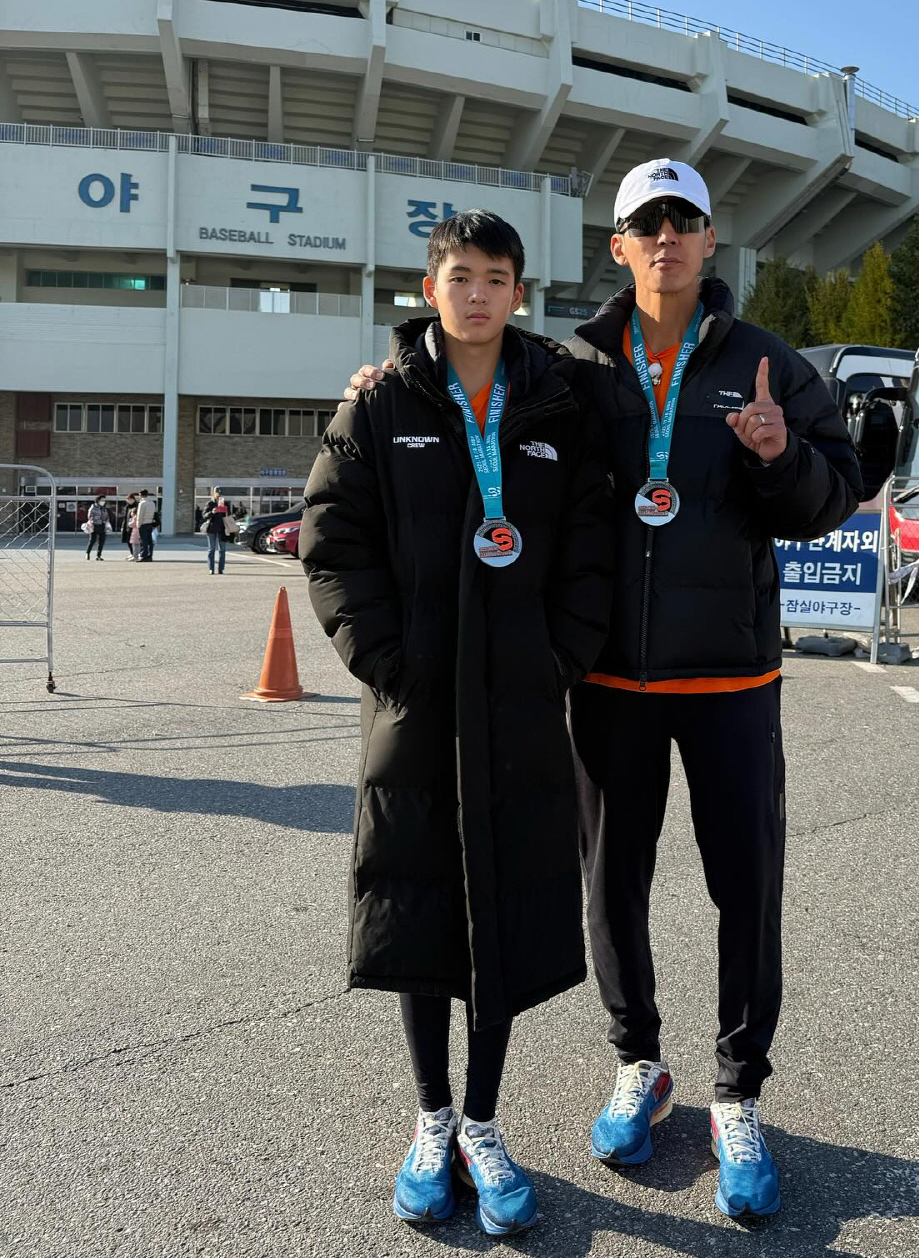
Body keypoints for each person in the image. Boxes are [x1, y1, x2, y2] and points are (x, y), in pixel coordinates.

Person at [344, 161, 862, 1221]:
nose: (667, 235)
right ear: (618, 246)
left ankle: (737, 1091)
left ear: (712, 240)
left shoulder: (768, 364)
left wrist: (777, 457)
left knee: (745, 888)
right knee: (609, 884)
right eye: (645, 222)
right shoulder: (575, 365)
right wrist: (380, 381)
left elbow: (833, 493)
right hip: (611, 680)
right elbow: (466, 389)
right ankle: (641, 1062)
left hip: (730, 674)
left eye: (686, 219)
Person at [300, 209, 612, 1236]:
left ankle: (484, 1117)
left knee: (508, 915)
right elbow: (332, 541)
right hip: (417, 707)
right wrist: (386, 662)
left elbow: (589, 546)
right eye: (459, 275)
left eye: (496, 277)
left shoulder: (557, 403)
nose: (477, 293)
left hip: (522, 707)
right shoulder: (382, 404)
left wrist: (559, 653)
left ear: (519, 291)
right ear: (429, 287)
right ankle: (431, 1117)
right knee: (421, 910)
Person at [201, 488, 231, 575]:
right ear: (214, 494)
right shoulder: (210, 503)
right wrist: (212, 512)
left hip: (222, 529)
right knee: (211, 549)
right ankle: (211, 568)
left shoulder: (225, 503)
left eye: (220, 495)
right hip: (212, 529)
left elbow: (229, 516)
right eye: (218, 495)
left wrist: (226, 511)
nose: (219, 496)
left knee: (222, 550)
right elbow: (204, 515)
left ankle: (221, 569)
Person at [135, 489, 156, 562]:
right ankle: (149, 556)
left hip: (143, 524)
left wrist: (138, 524)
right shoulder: (152, 503)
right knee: (149, 540)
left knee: (143, 541)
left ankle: (143, 555)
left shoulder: (142, 503)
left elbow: (140, 515)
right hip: (150, 523)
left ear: (141, 495)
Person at [121, 493, 139, 559]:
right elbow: (125, 518)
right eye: (128, 500)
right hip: (127, 525)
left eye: (131, 499)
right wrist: (123, 526)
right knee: (128, 540)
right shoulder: (127, 507)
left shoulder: (137, 506)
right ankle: (132, 553)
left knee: (134, 542)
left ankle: (135, 554)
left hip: (134, 527)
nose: (130, 501)